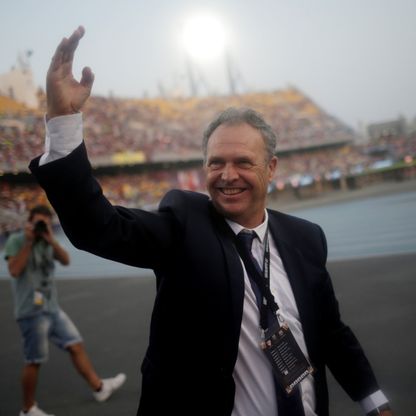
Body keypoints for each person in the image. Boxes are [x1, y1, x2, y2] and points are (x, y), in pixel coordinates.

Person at [28, 26, 393, 416]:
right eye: (216, 163)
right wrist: (63, 120)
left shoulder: (306, 238)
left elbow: (331, 331)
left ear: (271, 168)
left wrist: (375, 403)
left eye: (242, 162)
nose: (227, 175)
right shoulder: (184, 226)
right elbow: (96, 227)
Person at [4, 204, 126, 416]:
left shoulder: (47, 241)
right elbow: (14, 270)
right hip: (31, 311)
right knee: (34, 360)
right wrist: (29, 242)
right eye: (38, 222)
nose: (41, 226)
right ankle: (27, 409)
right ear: (29, 222)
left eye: (45, 223)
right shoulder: (17, 240)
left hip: (51, 307)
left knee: (75, 344)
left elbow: (66, 260)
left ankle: (99, 388)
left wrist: (51, 240)